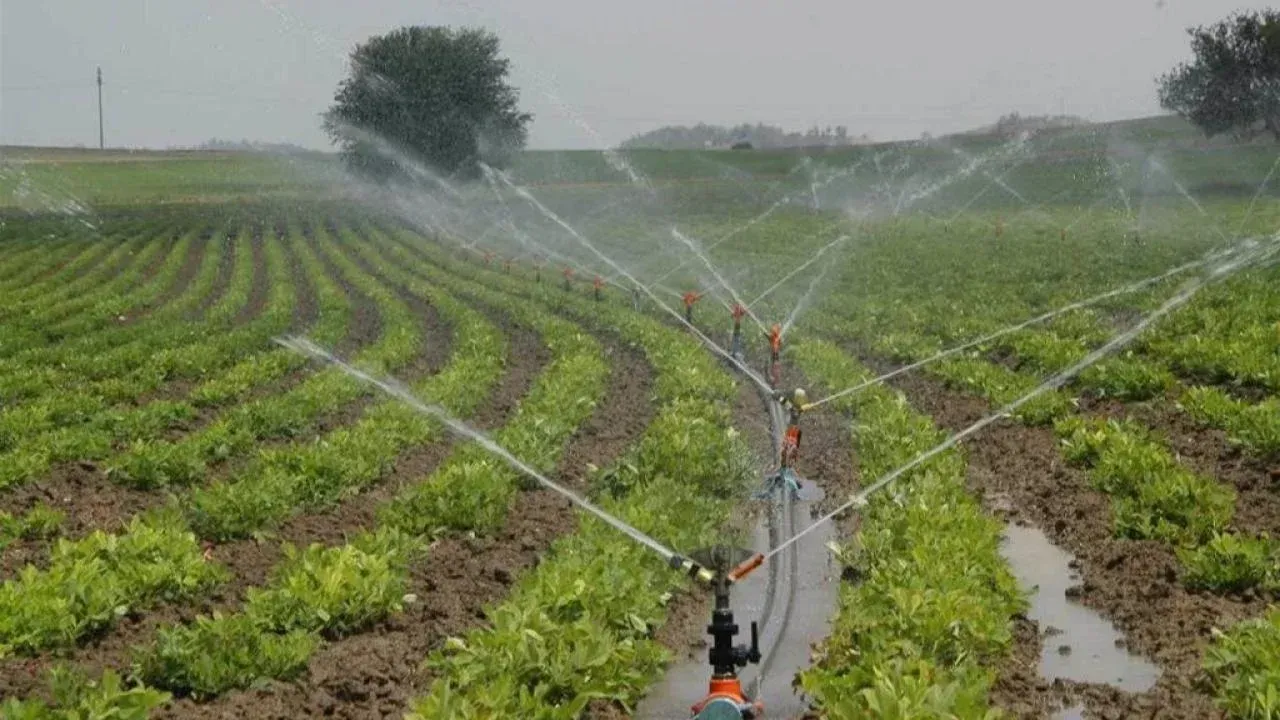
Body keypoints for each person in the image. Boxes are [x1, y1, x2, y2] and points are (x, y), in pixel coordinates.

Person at [766, 323, 783, 388]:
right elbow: (770, 337)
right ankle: (775, 381)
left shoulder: (775, 337)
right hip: (775, 353)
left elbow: (769, 337)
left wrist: (766, 334)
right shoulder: (776, 337)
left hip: (775, 353)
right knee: (775, 366)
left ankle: (775, 382)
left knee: (775, 367)